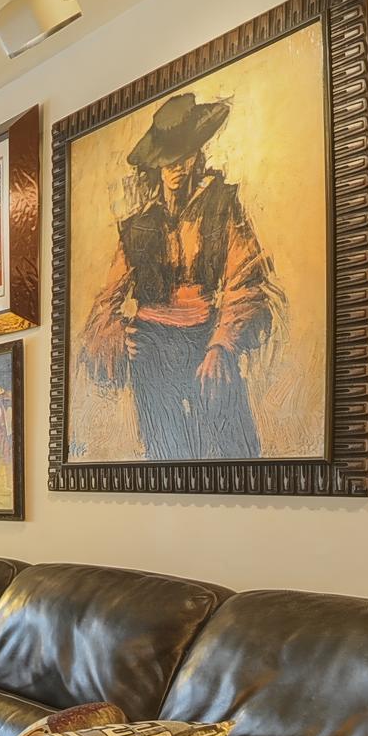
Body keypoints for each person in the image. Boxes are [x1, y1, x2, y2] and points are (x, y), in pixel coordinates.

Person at [76, 91, 282, 460]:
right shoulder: (138, 226)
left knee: (235, 449)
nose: (177, 168)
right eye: (167, 160)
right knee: (165, 453)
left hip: (206, 339)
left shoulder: (221, 207)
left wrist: (222, 345)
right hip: (151, 348)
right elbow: (107, 299)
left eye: (184, 157)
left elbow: (245, 279)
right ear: (156, 165)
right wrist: (117, 335)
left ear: (197, 155)